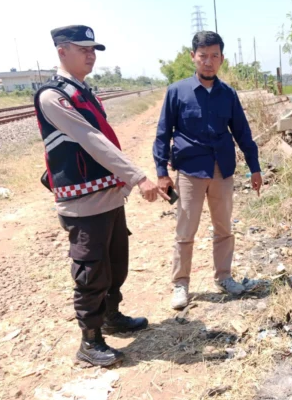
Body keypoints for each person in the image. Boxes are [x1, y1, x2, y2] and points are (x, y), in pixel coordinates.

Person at [34, 25, 168, 367]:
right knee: (91, 270)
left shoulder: (83, 91)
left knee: (115, 262)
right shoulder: (54, 96)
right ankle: (89, 341)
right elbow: (91, 139)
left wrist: (123, 183)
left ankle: (112, 316)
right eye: (83, 49)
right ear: (62, 51)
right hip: (83, 203)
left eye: (93, 49)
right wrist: (137, 177)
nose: (91, 54)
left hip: (107, 196)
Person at [153, 31, 262, 309]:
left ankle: (224, 277)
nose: (208, 62)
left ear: (222, 59)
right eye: (203, 56)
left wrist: (255, 168)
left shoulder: (228, 94)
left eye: (214, 56)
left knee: (223, 227)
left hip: (222, 170)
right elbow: (163, 134)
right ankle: (181, 284)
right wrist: (161, 173)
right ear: (193, 57)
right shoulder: (177, 92)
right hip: (190, 171)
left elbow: (243, 133)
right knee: (185, 229)